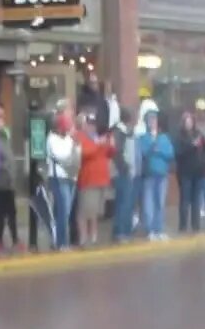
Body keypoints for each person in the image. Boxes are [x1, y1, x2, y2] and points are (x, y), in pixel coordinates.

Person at [75, 112, 113, 246]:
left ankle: (94, 237)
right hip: (88, 179)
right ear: (83, 125)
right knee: (85, 211)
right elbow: (84, 153)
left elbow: (109, 153)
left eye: (93, 124)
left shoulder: (98, 138)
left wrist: (109, 144)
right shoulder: (79, 136)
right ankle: (83, 238)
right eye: (89, 124)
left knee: (95, 212)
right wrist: (98, 144)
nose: (92, 127)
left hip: (101, 179)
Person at [136, 108, 174, 241]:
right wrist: (154, 148)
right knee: (149, 204)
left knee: (160, 203)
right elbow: (144, 153)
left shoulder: (164, 137)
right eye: (149, 119)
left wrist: (158, 151)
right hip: (149, 175)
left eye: (154, 119)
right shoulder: (143, 138)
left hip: (162, 175)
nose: (152, 122)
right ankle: (150, 230)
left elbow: (170, 154)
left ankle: (159, 229)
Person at [45, 110, 79, 250]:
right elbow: (62, 156)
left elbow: (76, 155)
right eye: (65, 127)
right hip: (58, 178)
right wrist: (73, 147)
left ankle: (61, 241)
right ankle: (61, 243)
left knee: (67, 211)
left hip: (70, 177)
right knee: (63, 211)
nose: (67, 130)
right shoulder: (52, 139)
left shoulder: (68, 139)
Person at [0, 108, 20, 252]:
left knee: (12, 213)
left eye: (2, 117)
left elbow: (10, 156)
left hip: (9, 183)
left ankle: (15, 240)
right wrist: (5, 167)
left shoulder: (5, 136)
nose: (0, 121)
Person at [173, 111, 205, 234]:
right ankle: (182, 226)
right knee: (185, 199)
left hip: (198, 171)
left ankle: (196, 225)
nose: (189, 124)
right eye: (187, 122)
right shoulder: (179, 136)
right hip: (185, 172)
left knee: (196, 199)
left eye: (191, 121)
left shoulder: (198, 134)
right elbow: (178, 153)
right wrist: (191, 145)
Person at [111, 107, 138, 243]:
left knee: (124, 202)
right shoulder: (119, 132)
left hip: (125, 172)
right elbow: (117, 153)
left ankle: (122, 231)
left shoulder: (123, 132)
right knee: (124, 202)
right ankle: (121, 232)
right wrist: (126, 168)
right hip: (122, 173)